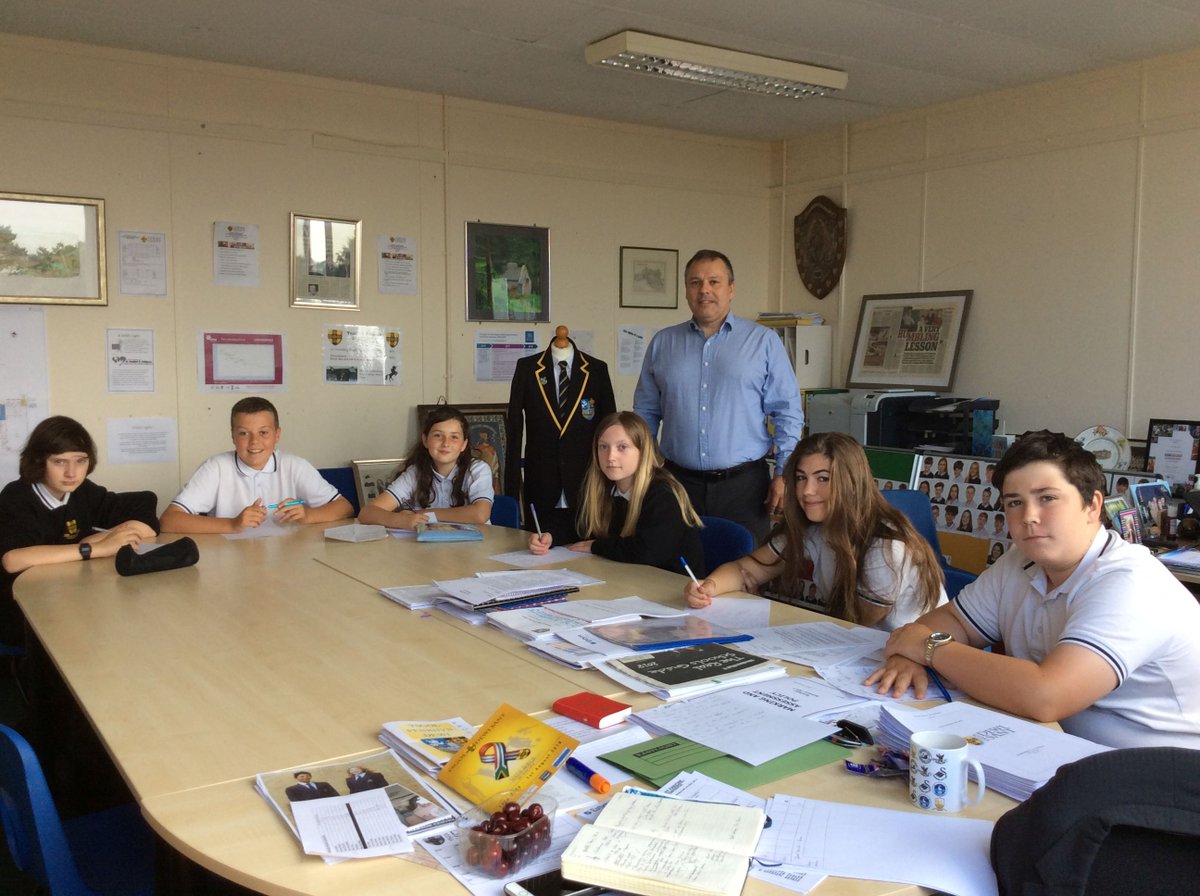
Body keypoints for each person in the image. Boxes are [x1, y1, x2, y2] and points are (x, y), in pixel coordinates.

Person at [867, 430, 1200, 748]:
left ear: (1093, 506)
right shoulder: (1020, 561)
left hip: (1159, 774)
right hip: (1050, 747)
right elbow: (947, 622)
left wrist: (928, 650)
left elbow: (1047, 696)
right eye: (1014, 502)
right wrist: (911, 659)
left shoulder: (1130, 583)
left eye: (1047, 498)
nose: (1029, 517)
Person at [684, 432, 946, 631]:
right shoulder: (815, 527)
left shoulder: (885, 545)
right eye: (800, 478)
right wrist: (708, 588)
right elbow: (747, 569)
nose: (807, 490)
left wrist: (777, 611)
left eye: (823, 479)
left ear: (851, 483)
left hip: (915, 660)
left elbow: (854, 626)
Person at [633, 250, 803, 542]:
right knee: (677, 573)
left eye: (714, 281)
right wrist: (646, 469)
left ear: (731, 289)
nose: (705, 290)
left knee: (744, 575)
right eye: (695, 282)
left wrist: (784, 475)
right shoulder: (663, 343)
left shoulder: (763, 342)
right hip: (676, 483)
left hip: (745, 489)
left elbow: (787, 412)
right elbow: (645, 412)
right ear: (686, 290)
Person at [0, 416, 160, 643]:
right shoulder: (17, 496)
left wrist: (102, 538)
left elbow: (146, 515)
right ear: (38, 460)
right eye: (59, 462)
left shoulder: (82, 491)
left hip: (68, 594)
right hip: (21, 606)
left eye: (81, 461)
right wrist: (92, 548)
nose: (72, 473)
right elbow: (13, 560)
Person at [528, 411, 702, 574]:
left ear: (642, 452)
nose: (610, 456)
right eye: (603, 447)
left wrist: (596, 546)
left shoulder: (663, 494)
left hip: (672, 590)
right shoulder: (605, 487)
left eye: (622, 447)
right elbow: (578, 521)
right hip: (629, 580)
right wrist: (550, 535)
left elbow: (647, 552)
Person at [161, 397, 353, 534]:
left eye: (263, 433)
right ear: (233, 436)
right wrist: (232, 525)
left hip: (287, 558)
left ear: (277, 434)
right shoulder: (216, 468)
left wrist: (308, 515)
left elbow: (344, 508)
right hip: (229, 562)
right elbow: (169, 521)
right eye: (244, 433)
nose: (254, 442)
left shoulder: (295, 465)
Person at [506, 326, 616, 544]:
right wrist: (511, 491)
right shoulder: (527, 368)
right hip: (541, 483)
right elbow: (515, 429)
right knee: (539, 553)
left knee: (588, 554)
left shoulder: (596, 369)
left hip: (586, 483)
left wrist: (610, 483)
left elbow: (609, 427)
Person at [359, 405, 493, 529]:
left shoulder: (477, 470)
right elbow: (367, 513)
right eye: (438, 435)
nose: (446, 443)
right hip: (429, 548)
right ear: (425, 440)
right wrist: (401, 520)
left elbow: (480, 514)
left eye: (454, 437)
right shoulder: (415, 473)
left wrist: (423, 514)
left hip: (474, 548)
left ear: (464, 445)